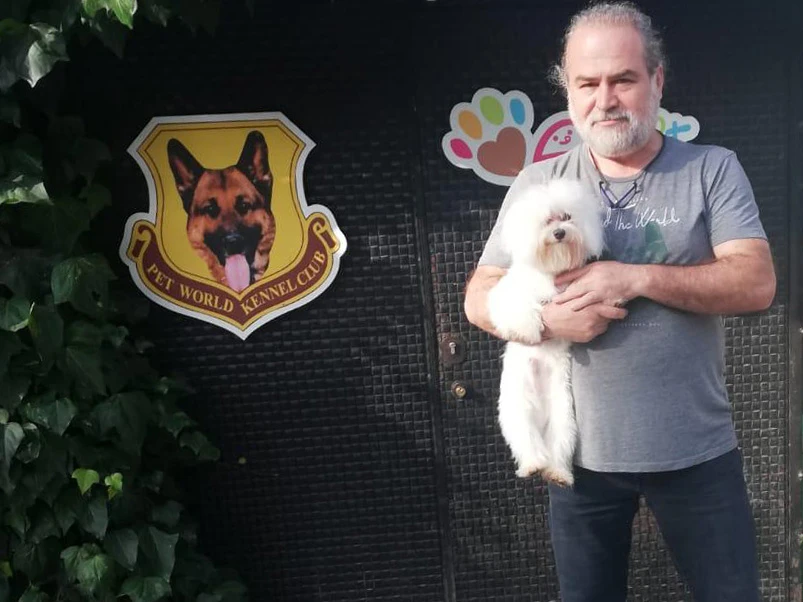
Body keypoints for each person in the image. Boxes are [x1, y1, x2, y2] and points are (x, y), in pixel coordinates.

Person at [463, 3, 777, 601]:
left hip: (696, 454)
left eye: (623, 79)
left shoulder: (711, 170)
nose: (605, 99)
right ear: (568, 91)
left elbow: (756, 283)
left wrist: (633, 278)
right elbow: (480, 295)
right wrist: (543, 321)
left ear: (657, 81)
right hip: (580, 465)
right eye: (587, 83)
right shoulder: (538, 183)